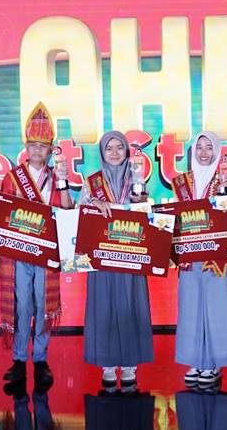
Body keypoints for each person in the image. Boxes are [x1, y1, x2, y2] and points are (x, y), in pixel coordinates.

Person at [0, 103, 74, 387]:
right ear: (25, 146)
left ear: (51, 148)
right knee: (22, 307)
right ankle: (19, 360)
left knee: (44, 306)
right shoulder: (11, 177)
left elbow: (67, 211)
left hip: (46, 253)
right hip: (18, 253)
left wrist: (65, 182)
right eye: (32, 145)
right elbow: (1, 212)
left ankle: (40, 359)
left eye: (43, 147)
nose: (37, 151)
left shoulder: (57, 178)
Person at [80, 131, 153, 386]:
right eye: (108, 148)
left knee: (131, 307)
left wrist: (143, 204)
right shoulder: (92, 183)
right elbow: (79, 215)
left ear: (126, 151)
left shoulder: (137, 179)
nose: (114, 152)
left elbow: (148, 216)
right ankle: (108, 365)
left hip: (131, 256)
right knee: (104, 308)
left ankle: (130, 364)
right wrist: (92, 206)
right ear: (101, 152)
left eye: (119, 147)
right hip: (101, 258)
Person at [172, 131, 227, 386]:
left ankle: (212, 363)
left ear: (217, 151)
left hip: (216, 254)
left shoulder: (225, 180)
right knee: (189, 307)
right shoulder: (182, 182)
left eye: (208, 147)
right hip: (189, 253)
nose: (203, 152)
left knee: (216, 307)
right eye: (199, 147)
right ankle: (193, 360)